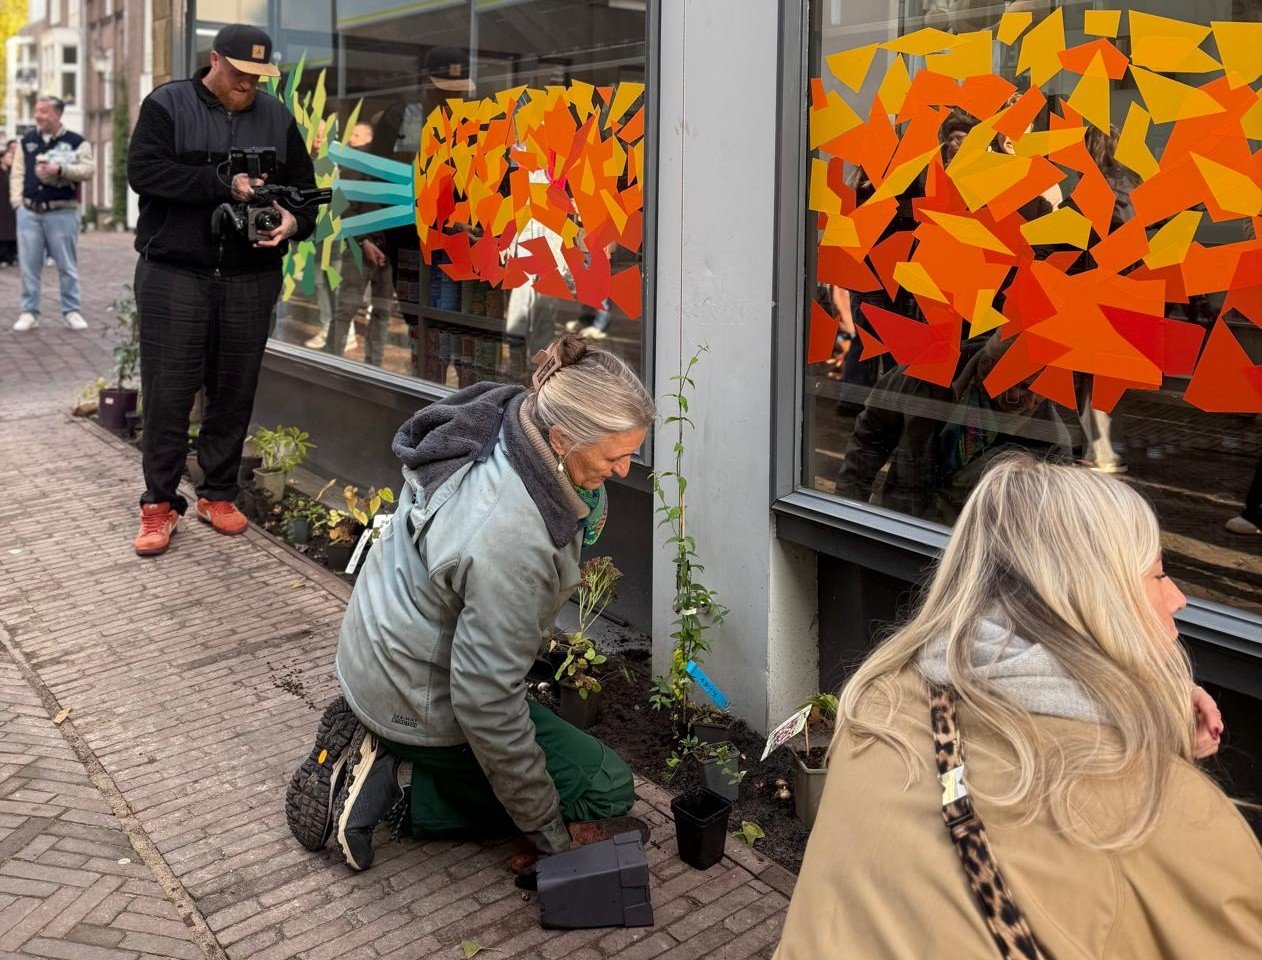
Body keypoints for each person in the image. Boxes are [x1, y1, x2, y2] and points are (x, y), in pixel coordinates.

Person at [775, 456, 1260, 959]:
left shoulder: (879, 700)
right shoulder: (1163, 817)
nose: (1178, 597)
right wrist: (1148, 732)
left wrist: (1149, 703)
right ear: (1095, 598)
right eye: (1158, 575)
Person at [287, 335, 654, 873]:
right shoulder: (510, 536)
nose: (624, 470)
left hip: (378, 652)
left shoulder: (504, 416)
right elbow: (484, 701)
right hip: (418, 692)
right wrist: (551, 833)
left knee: (532, 740)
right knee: (604, 786)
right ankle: (402, 790)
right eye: (615, 456)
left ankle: (382, 736)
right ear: (560, 439)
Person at [127, 24, 318, 556]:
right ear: (215, 60)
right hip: (174, 273)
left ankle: (217, 493)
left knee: (234, 389)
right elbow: (144, 172)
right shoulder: (167, 104)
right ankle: (159, 505)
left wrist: (292, 224)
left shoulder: (277, 116)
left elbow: (303, 192)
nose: (248, 86)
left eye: (259, 77)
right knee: (169, 391)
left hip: (250, 277)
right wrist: (222, 182)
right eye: (240, 75)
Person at [10, 95, 95, 331]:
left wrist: (61, 169)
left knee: (66, 265)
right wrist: (17, 203)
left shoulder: (77, 141)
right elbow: (18, 172)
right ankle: (29, 311)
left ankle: (71, 310)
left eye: (44, 111)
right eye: (37, 110)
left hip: (62, 212)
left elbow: (88, 170)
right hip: (29, 212)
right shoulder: (27, 140)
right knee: (29, 265)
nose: (38, 115)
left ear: (57, 114)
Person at [325, 119, 394, 365]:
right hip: (361, 247)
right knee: (348, 309)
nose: (350, 138)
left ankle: (372, 365)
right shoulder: (358, 163)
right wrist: (365, 241)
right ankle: (333, 362)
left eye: (356, 133)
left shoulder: (396, 163)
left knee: (380, 311)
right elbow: (345, 207)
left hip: (385, 249)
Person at [0, 140, 17, 267]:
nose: (12, 159)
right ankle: (3, 257)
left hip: (11, 206)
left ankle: (11, 256)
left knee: (12, 231)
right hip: (2, 206)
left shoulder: (13, 173)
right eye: (10, 157)